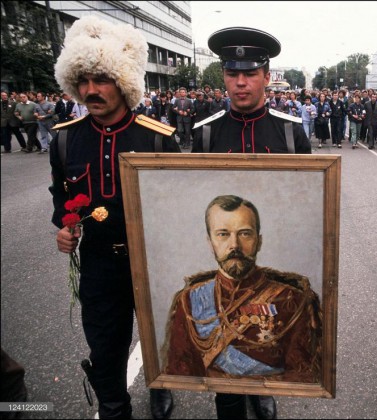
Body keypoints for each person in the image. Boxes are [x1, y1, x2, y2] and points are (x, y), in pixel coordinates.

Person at [49, 15, 180, 420]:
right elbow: (61, 198)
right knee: (105, 345)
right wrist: (63, 230)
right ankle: (112, 405)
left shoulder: (157, 137)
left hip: (151, 260)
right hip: (99, 263)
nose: (91, 90)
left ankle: (161, 386)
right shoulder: (66, 138)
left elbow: (179, 207)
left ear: (123, 81)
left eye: (101, 79)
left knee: (160, 335)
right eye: (83, 80)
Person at [189, 27, 311, 418]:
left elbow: (306, 202)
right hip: (227, 257)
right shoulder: (204, 133)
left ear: (266, 75)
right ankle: (228, 398)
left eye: (251, 73)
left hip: (270, 255)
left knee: (265, 333)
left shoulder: (291, 134)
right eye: (232, 73)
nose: (241, 83)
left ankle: (261, 388)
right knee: (224, 339)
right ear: (223, 76)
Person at [161, 194, 321, 388]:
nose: (234, 245)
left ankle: (261, 399)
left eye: (245, 233)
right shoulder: (189, 300)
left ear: (259, 241)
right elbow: (181, 368)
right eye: (223, 234)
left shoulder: (293, 300)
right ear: (210, 243)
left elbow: (301, 374)